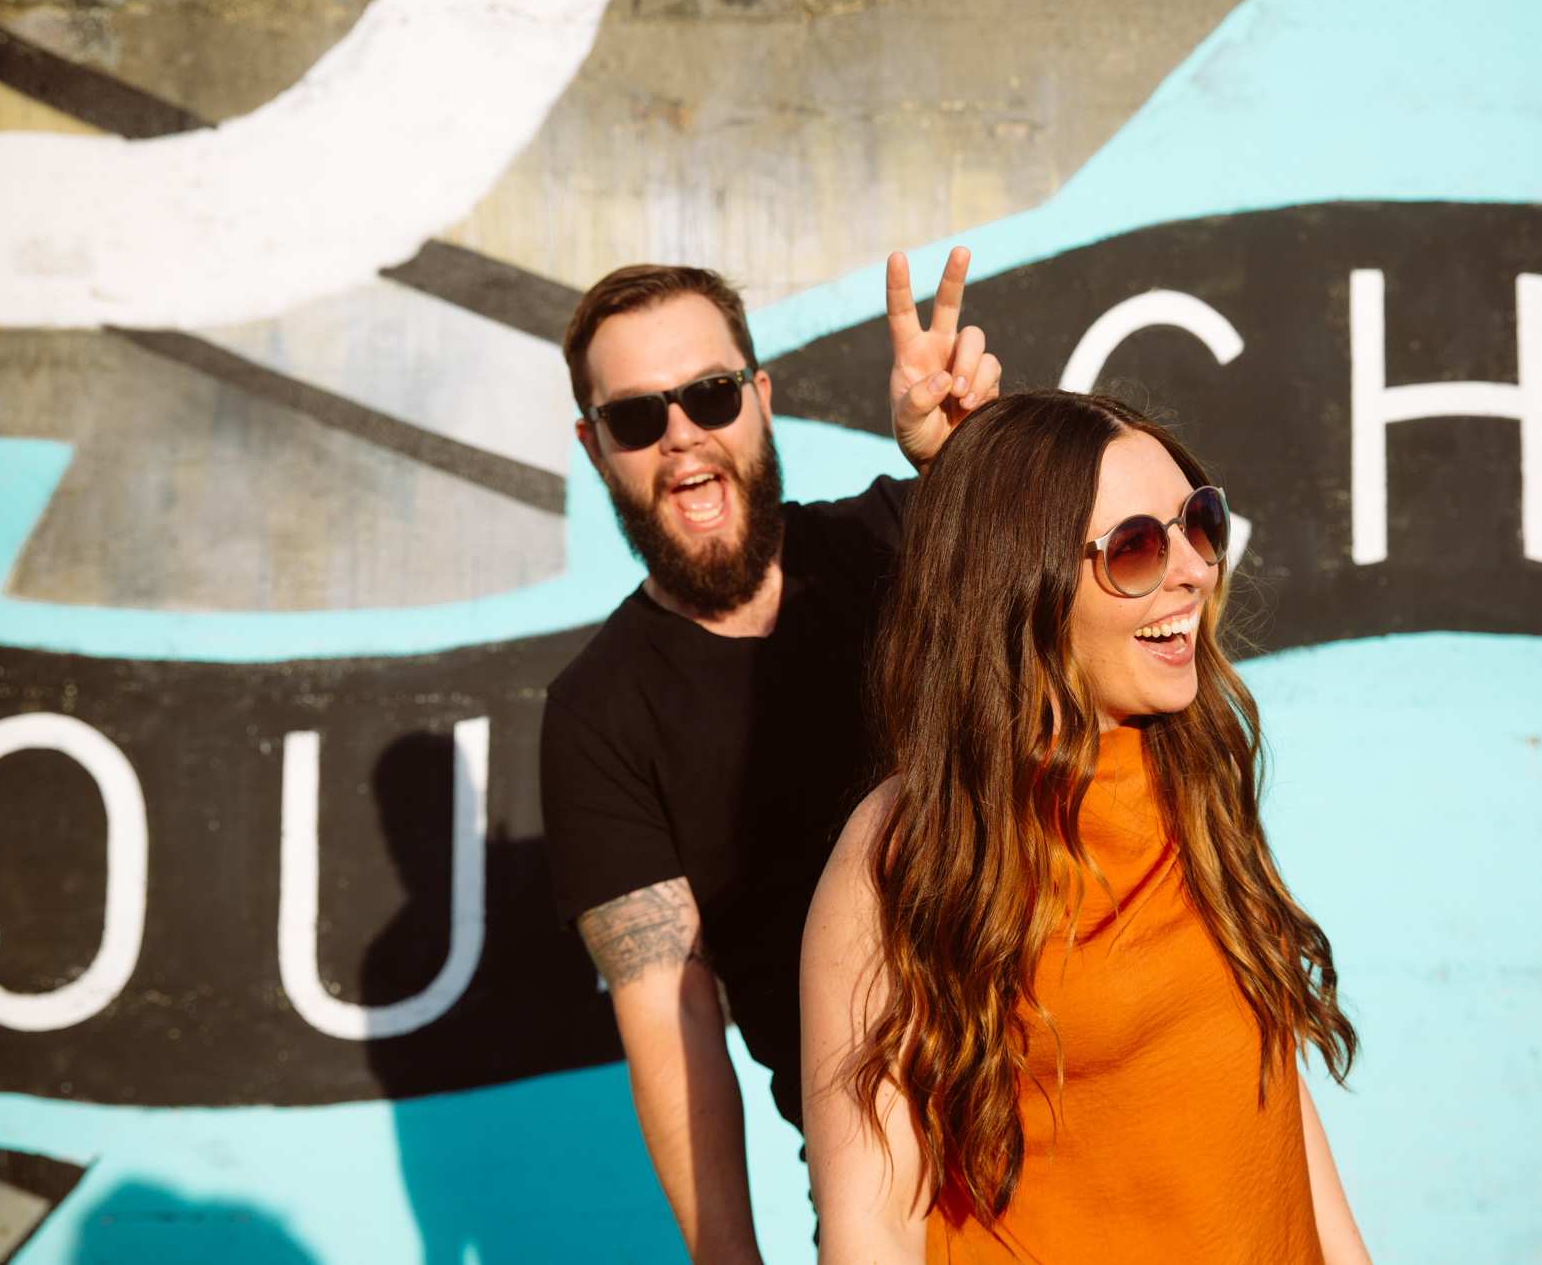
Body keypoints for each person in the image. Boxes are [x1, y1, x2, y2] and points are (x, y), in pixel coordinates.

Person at [801, 390, 1371, 1264]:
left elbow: (1268, 1094)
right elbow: (870, 1228)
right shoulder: (904, 850)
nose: (1193, 567)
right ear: (1021, 583)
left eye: (1199, 522)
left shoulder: (1194, 768)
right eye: (1138, 546)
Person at [538, 249, 1001, 1265]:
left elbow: (1077, 608)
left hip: (1094, 1092)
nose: (680, 439)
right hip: (889, 1189)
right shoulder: (596, 715)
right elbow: (671, 1008)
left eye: (708, 395)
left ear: (759, 395)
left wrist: (965, 469)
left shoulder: (908, 535)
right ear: (592, 445)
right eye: (634, 418)